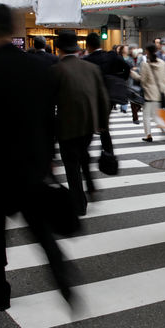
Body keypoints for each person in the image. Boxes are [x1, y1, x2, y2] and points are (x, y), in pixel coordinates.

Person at [0, 4, 76, 312]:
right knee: (39, 226)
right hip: (31, 163)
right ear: (15, 29)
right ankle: (61, 273)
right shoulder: (39, 68)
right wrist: (49, 157)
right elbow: (49, 119)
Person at [54, 30, 109, 216]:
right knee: (81, 155)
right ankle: (90, 187)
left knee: (71, 165)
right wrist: (102, 124)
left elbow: (48, 102)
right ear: (77, 48)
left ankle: (79, 204)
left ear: (59, 49)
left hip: (67, 126)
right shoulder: (91, 68)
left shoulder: (56, 70)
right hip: (88, 125)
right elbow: (103, 98)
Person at [84, 33, 126, 157]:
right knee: (104, 126)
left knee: (91, 125)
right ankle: (108, 152)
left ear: (88, 46)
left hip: (93, 97)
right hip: (109, 96)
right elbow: (126, 68)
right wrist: (118, 79)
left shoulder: (86, 61)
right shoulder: (111, 56)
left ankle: (84, 150)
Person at [130, 44, 165, 142]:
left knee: (146, 115)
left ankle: (148, 135)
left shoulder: (146, 65)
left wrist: (132, 73)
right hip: (160, 92)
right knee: (155, 114)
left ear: (147, 52)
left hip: (149, 93)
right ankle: (163, 128)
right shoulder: (162, 63)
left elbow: (142, 80)